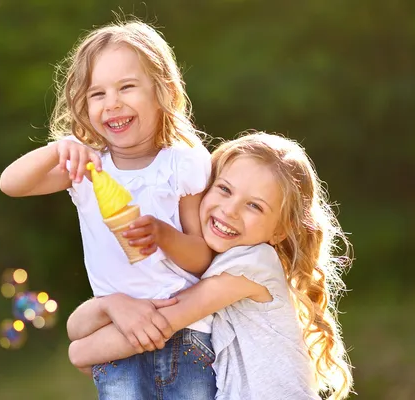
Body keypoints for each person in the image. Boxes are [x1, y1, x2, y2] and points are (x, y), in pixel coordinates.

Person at [0, 18, 218, 399]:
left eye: (127, 87)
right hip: (116, 340)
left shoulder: (181, 164)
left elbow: (202, 257)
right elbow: (11, 184)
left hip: (186, 335)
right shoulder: (87, 169)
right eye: (97, 94)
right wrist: (57, 148)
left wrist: (163, 236)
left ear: (162, 91)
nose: (112, 102)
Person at [67, 132, 354, 400]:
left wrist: (80, 352)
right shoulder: (208, 264)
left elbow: (163, 322)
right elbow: (84, 327)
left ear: (280, 231)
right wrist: (110, 305)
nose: (230, 210)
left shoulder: (253, 264)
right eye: (225, 189)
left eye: (254, 206)